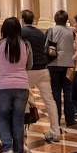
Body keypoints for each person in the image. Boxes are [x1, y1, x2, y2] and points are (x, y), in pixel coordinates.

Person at [0, 17, 33, 153]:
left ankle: (7, 147)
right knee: (18, 120)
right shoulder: (26, 44)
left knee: (3, 117)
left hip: (4, 86)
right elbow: (29, 66)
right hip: (22, 86)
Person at [20, 9, 60, 142]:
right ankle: (55, 131)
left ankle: (21, 127)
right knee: (49, 101)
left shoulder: (21, 32)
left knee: (22, 99)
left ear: (22, 20)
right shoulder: (39, 33)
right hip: (43, 69)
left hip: (28, 71)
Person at [46, 10, 77, 127]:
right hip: (69, 64)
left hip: (54, 64)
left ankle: (56, 119)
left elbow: (46, 45)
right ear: (66, 20)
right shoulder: (72, 32)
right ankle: (70, 119)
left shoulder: (51, 30)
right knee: (68, 91)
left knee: (55, 91)